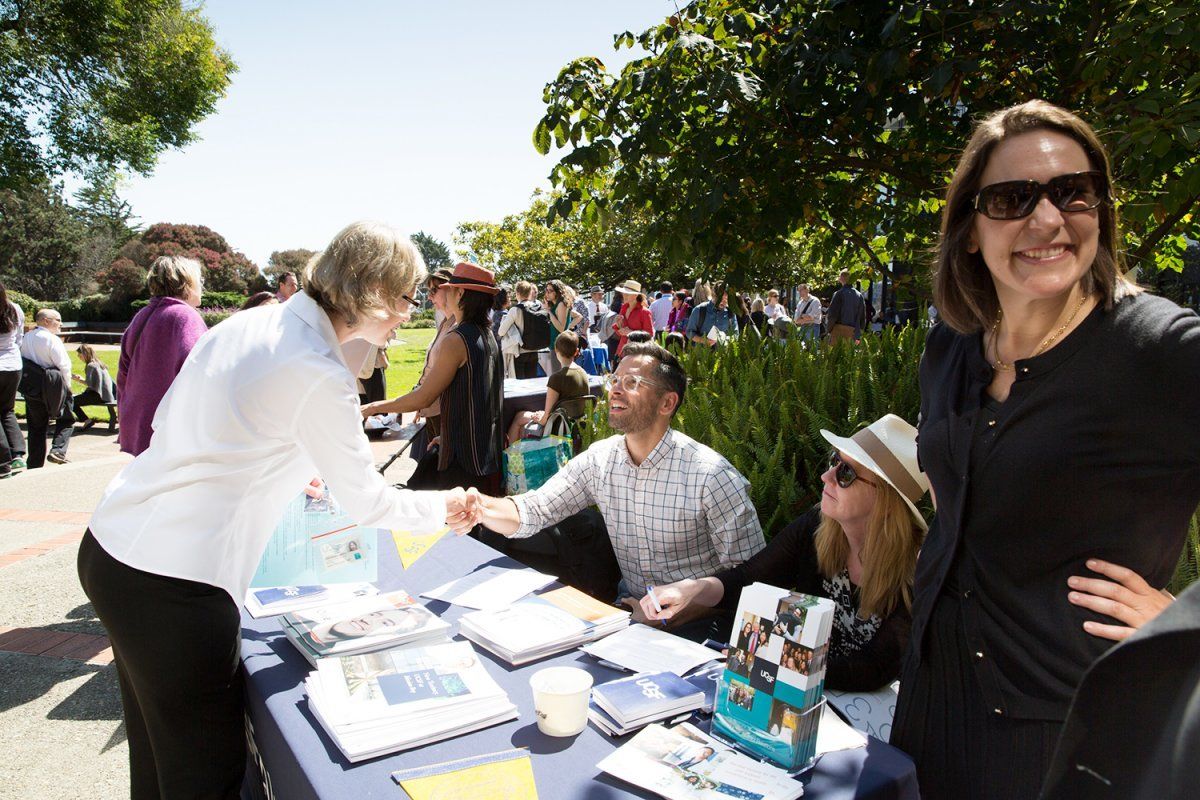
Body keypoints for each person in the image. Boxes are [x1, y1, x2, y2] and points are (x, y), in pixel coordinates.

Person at [78, 221, 470, 799]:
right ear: (372, 290)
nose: (407, 316)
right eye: (407, 297)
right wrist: (449, 507)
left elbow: (197, 426)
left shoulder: (253, 322)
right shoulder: (318, 367)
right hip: (175, 583)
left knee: (159, 760)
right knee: (206, 774)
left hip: (117, 549)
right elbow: (367, 501)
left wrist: (290, 468)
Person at [888, 100, 1200, 800]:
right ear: (969, 231)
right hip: (933, 699)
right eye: (1012, 198)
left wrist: (1184, 623)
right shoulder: (951, 347)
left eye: (1073, 192)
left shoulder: (1157, 349)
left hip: (1071, 733)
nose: (1049, 219)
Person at [452, 341, 765, 626]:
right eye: (615, 380)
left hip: (698, 629)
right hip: (626, 616)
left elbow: (752, 581)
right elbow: (536, 509)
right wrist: (482, 508)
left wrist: (665, 616)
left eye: (632, 383)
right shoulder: (600, 460)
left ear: (667, 403)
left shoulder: (711, 476)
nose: (615, 389)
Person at [643, 414, 929, 691]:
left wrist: (769, 663)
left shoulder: (920, 567)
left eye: (846, 473)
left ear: (887, 500)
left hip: (859, 714)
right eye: (834, 461)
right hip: (795, 687)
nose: (826, 476)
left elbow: (872, 670)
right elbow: (749, 579)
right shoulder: (817, 526)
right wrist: (692, 590)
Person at [362, 262, 504, 494]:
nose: (442, 293)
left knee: (456, 525)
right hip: (485, 452)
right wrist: (446, 437)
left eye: (448, 288)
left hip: (464, 459)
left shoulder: (457, 339)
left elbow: (423, 397)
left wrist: (372, 407)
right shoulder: (487, 334)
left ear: (460, 294)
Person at [117, 255, 208, 456]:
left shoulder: (142, 315)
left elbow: (123, 377)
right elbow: (198, 373)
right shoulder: (185, 316)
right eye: (199, 280)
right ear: (187, 283)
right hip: (171, 431)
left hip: (138, 426)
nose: (202, 286)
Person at [506, 331, 590, 444]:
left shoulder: (556, 378)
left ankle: (513, 460)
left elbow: (546, 418)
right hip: (578, 424)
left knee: (519, 417)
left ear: (556, 351)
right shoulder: (583, 373)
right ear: (576, 352)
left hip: (558, 425)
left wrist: (540, 416)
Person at [19, 309, 74, 466]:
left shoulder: (26, 337)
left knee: (36, 426)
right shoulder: (51, 339)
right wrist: (68, 387)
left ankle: (35, 463)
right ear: (45, 321)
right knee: (66, 419)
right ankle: (58, 450)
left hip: (32, 386)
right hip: (53, 385)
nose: (60, 324)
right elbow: (64, 365)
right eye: (57, 320)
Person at [0, 280, 25, 477]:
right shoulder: (15, 309)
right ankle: (17, 454)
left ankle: (3, 461)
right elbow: (19, 338)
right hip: (13, 366)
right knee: (7, 411)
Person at [497, 280, 547, 379]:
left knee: (520, 386)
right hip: (535, 350)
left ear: (517, 293)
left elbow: (501, 332)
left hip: (520, 352)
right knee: (532, 383)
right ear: (529, 292)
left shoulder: (515, 310)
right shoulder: (539, 307)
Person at [72, 343, 117, 431]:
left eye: (79, 354)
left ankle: (86, 420)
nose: (78, 356)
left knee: (70, 401)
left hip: (98, 396)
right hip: (107, 395)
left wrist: (79, 379)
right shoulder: (99, 363)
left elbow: (90, 384)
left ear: (85, 354)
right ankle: (86, 420)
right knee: (73, 400)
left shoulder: (90, 366)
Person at [685, 281, 739, 346]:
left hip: (722, 354)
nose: (723, 302)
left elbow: (735, 335)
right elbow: (689, 332)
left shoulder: (730, 313)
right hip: (701, 354)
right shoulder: (700, 310)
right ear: (713, 295)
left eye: (726, 300)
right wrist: (703, 340)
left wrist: (725, 340)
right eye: (720, 299)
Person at [544, 280, 581, 370]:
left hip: (560, 345)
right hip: (554, 343)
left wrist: (549, 311)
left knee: (558, 374)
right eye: (546, 290)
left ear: (557, 292)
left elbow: (561, 328)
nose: (547, 293)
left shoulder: (561, 304)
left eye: (550, 291)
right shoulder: (555, 304)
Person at [612, 279, 653, 358]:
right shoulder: (623, 308)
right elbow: (620, 332)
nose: (624, 295)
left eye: (628, 293)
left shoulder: (645, 312)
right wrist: (618, 325)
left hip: (637, 352)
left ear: (635, 295)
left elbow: (649, 334)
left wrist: (631, 333)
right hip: (622, 350)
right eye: (624, 293)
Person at [826, 270, 866, 343]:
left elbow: (833, 314)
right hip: (852, 331)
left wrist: (828, 329)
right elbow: (862, 317)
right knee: (849, 354)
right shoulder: (859, 295)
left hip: (838, 330)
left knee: (835, 353)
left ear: (841, 278)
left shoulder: (839, 293)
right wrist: (858, 334)